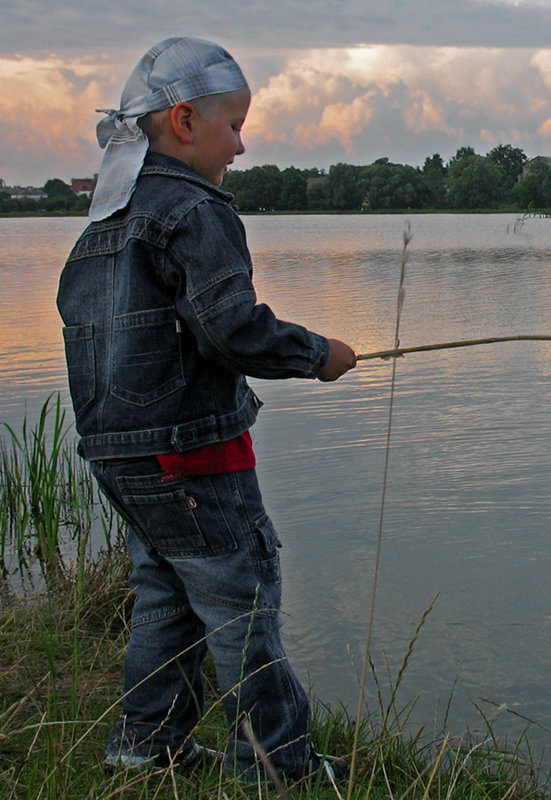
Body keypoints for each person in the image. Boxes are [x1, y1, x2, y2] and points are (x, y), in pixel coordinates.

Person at [56, 37, 357, 785]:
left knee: (166, 598)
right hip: (193, 454)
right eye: (234, 126)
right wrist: (319, 354)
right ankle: (276, 766)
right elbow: (231, 328)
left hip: (118, 456)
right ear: (185, 120)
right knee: (243, 603)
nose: (243, 144)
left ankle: (146, 743)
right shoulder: (194, 209)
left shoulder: (103, 222)